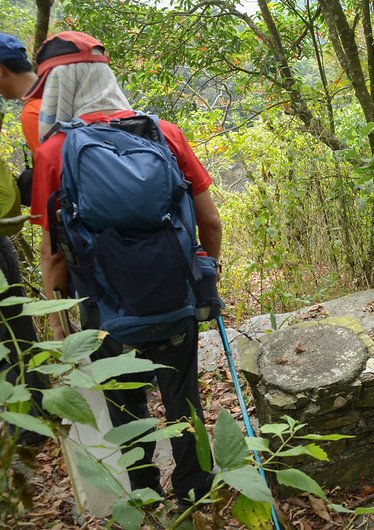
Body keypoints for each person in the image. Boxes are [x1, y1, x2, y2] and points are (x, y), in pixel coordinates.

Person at [27, 31, 223, 505]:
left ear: (56, 86)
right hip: (175, 299)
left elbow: (52, 255)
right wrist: (206, 277)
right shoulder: (163, 133)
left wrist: (59, 323)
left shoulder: (53, 153)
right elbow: (210, 221)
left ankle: (146, 497)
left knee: (125, 407)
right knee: (183, 400)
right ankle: (194, 495)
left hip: (105, 312)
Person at [0, 33, 50, 446]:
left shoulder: (33, 111)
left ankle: (26, 424)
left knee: (8, 333)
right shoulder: (58, 89)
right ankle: (33, 410)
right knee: (16, 326)